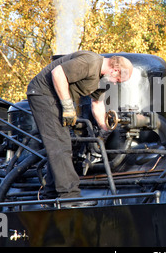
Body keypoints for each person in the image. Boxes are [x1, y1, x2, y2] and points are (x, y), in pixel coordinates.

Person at [26, 51, 133, 207]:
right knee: (60, 144)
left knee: (60, 145)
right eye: (118, 80)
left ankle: (51, 195)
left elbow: (97, 104)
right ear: (115, 70)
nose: (116, 83)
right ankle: (69, 196)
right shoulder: (90, 62)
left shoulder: (101, 80)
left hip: (54, 98)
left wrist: (105, 129)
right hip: (43, 94)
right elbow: (58, 73)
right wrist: (68, 106)